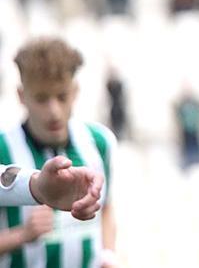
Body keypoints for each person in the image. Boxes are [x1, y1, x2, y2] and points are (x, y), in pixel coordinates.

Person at [0, 38, 118, 266]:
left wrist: (108, 255)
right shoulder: (3, 150)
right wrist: (22, 235)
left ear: (75, 92)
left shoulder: (100, 142)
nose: (53, 111)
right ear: (21, 96)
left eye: (61, 96)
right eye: (42, 99)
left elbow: (107, 208)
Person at [0, 158, 104, 220]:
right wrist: (21, 235)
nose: (55, 119)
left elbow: (107, 205)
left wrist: (37, 187)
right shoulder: (4, 143)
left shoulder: (100, 138)